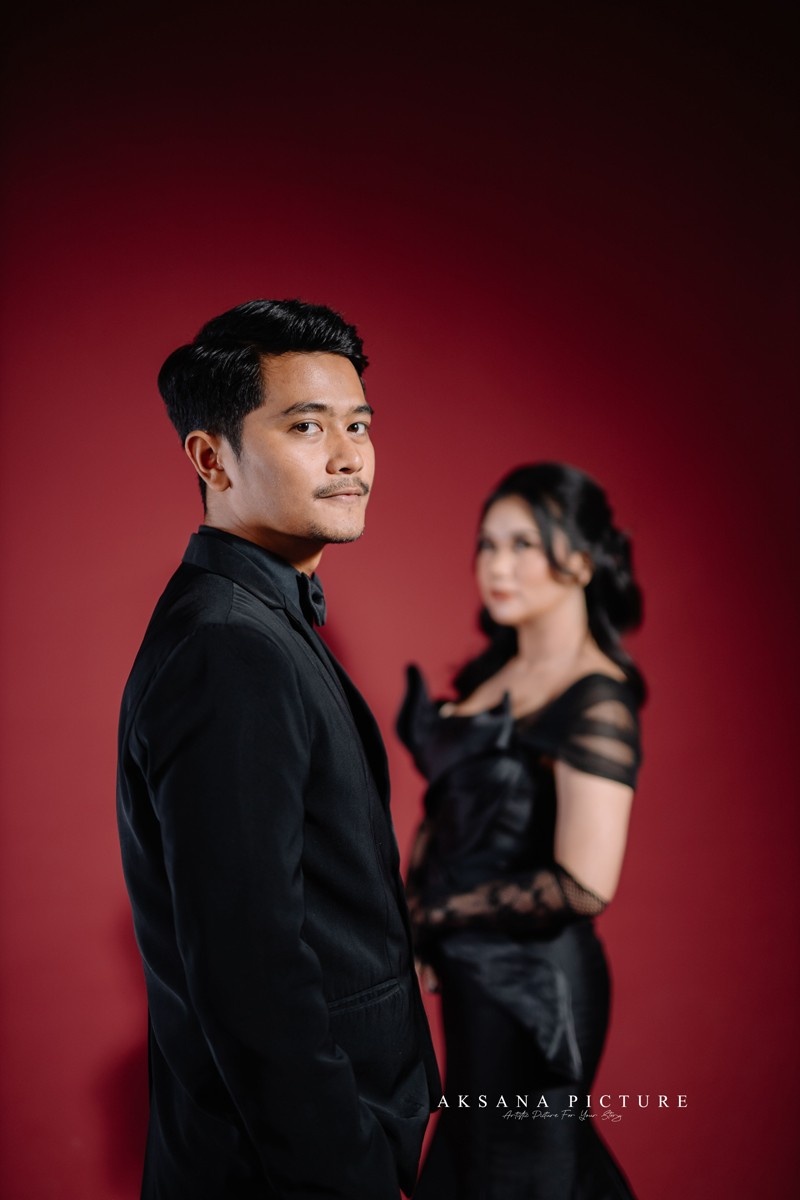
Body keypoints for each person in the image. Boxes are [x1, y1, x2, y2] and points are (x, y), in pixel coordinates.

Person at [116, 298, 438, 1199]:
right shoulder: (229, 646)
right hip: (289, 1171)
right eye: (306, 426)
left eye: (358, 425)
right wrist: (351, 1177)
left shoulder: (257, 621)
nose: (348, 457)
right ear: (211, 458)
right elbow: (250, 974)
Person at [397, 462, 645, 1199]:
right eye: (487, 544)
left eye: (522, 545)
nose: (496, 566)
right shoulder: (491, 678)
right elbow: (446, 811)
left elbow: (584, 885)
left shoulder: (596, 697)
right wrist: (416, 922)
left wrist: (433, 916)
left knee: (523, 1175)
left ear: (581, 561)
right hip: (470, 978)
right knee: (470, 1168)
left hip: (537, 989)